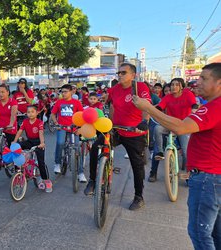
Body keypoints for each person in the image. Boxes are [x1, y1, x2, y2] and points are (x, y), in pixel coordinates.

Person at [132, 63, 221, 250]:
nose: (198, 82)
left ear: (219, 83)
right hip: (213, 176)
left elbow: (181, 126)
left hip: (207, 178)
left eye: (204, 78)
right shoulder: (206, 104)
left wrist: (147, 108)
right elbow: (162, 106)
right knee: (215, 232)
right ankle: (158, 154)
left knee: (199, 232)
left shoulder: (213, 107)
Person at [84, 63, 151, 211]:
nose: (119, 75)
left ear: (133, 75)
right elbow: (112, 106)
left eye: (123, 72)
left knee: (137, 165)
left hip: (135, 132)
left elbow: (146, 106)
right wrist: (110, 125)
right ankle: (93, 180)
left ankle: (139, 197)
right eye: (118, 73)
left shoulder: (140, 87)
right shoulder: (114, 90)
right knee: (96, 146)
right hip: (118, 130)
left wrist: (144, 121)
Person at [150, 78, 197, 181]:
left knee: (185, 151)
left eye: (176, 84)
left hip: (183, 126)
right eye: (172, 84)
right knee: (157, 129)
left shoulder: (188, 94)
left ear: (182, 87)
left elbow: (194, 104)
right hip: (170, 124)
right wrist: (151, 110)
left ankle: (189, 174)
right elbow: (160, 108)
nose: (173, 87)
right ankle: (159, 155)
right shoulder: (168, 97)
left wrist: (194, 109)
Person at [12, 105, 52, 192]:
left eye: (32, 112)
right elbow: (19, 131)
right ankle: (19, 171)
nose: (30, 114)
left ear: (37, 113)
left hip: (38, 143)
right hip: (29, 141)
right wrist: (14, 141)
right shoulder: (25, 122)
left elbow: (41, 133)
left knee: (41, 163)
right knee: (17, 148)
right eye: (28, 112)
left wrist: (42, 143)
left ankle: (46, 181)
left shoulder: (39, 122)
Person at [50, 84, 85, 181]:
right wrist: (56, 123)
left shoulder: (76, 102)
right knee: (60, 143)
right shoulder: (59, 102)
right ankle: (57, 163)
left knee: (77, 148)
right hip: (62, 127)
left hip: (74, 128)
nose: (63, 93)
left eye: (65, 91)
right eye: (62, 92)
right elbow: (53, 114)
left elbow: (81, 115)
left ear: (71, 92)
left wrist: (80, 127)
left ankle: (80, 173)